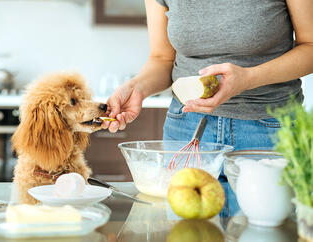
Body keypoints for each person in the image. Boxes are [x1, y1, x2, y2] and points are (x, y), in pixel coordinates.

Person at [103, 0, 313, 217]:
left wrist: (249, 79)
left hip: (268, 129)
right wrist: (135, 88)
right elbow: (161, 58)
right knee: (186, 231)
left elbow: (310, 45)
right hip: (187, 128)